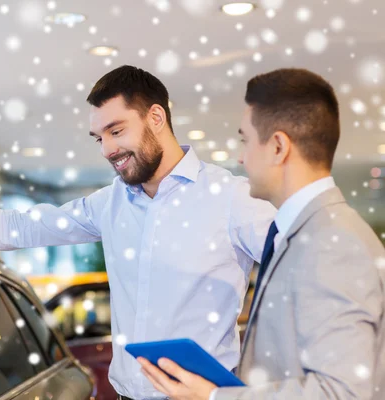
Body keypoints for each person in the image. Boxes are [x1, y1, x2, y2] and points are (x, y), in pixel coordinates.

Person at [0, 65, 276, 400]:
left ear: (157, 117)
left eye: (116, 130)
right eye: (98, 137)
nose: (107, 149)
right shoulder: (111, 203)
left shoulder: (233, 198)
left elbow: (301, 283)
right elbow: (17, 226)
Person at [138, 68, 385, 400]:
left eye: (246, 140)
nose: (241, 157)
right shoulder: (304, 233)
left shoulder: (332, 243)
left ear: (278, 147)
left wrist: (214, 397)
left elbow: (341, 392)